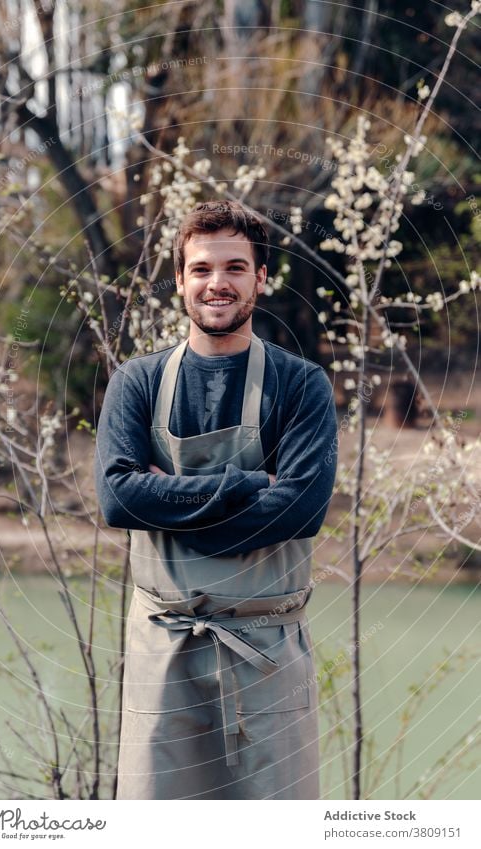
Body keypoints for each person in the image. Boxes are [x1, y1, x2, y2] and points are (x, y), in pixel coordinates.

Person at [94, 199, 338, 800]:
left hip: (267, 651)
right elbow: (118, 499)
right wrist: (243, 486)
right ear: (179, 280)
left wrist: (171, 510)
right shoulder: (138, 383)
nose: (217, 283)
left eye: (235, 267)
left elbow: (301, 509)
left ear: (260, 277)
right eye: (201, 269)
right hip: (163, 648)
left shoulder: (301, 385)